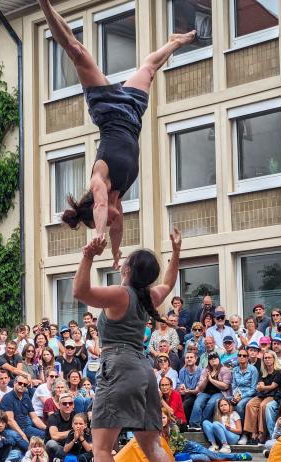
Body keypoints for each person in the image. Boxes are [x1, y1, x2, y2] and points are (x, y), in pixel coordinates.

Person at [44, 0, 196, 268]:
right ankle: (174, 42)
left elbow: (102, 210)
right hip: (133, 114)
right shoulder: (121, 198)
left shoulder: (99, 182)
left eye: (108, 220)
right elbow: (117, 230)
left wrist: (97, 234)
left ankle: (44, 5)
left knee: (76, 50)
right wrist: (115, 252)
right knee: (149, 68)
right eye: (113, 221)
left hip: (108, 108)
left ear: (94, 210)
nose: (115, 220)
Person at [72, 228, 183, 462]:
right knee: (153, 445)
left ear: (129, 269)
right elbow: (169, 283)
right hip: (144, 369)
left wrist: (87, 256)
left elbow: (80, 291)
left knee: (101, 448)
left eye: (126, 261)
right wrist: (176, 252)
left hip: (118, 367)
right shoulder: (148, 296)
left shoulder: (121, 294)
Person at [243, 351, 281, 445]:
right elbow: (260, 384)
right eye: (265, 358)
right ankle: (253, 432)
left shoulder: (278, 371)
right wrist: (262, 387)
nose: (267, 360)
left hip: (274, 395)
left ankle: (262, 433)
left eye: (269, 358)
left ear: (274, 359)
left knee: (263, 405)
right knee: (250, 404)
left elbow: (273, 386)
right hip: (262, 394)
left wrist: (263, 387)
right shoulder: (262, 371)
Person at [0, 375, 47, 452]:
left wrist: (47, 429)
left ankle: (40, 455)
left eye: (25, 384)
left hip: (26, 427)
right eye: (20, 383)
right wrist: (23, 435)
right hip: (10, 429)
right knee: (18, 437)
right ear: (15, 383)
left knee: (45, 435)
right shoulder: (7, 398)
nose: (22, 386)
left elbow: (35, 418)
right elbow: (10, 421)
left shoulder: (26, 397)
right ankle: (31, 453)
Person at [189, 352, 231, 429]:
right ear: (208, 361)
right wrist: (206, 379)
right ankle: (193, 425)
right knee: (198, 403)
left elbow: (225, 386)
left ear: (219, 359)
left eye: (215, 357)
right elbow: (199, 388)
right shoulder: (205, 370)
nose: (213, 360)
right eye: (211, 359)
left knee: (211, 403)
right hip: (205, 392)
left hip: (219, 392)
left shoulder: (224, 369)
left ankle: (202, 423)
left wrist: (211, 380)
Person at [45, 392, 75, 462]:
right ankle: (71, 458)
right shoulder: (53, 417)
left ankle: (65, 458)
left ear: (73, 405)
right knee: (51, 444)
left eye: (70, 403)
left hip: (69, 445)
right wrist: (73, 432)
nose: (68, 405)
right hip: (56, 446)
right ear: (59, 405)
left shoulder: (75, 416)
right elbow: (54, 436)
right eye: (64, 403)